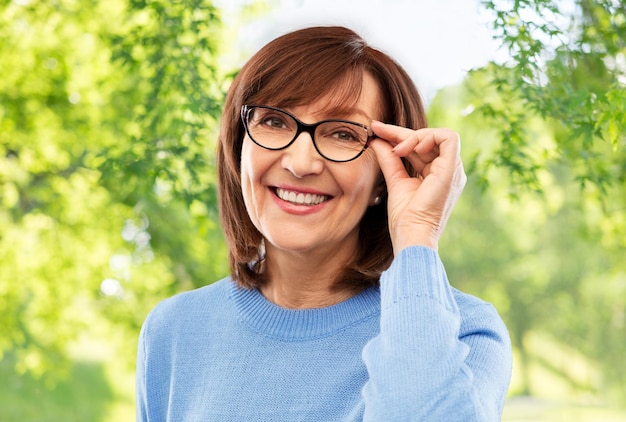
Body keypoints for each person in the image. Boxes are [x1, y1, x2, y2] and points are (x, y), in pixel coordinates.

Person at [136, 25, 512, 421]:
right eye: (275, 122)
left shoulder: (465, 334)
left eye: (343, 134)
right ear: (238, 147)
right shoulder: (174, 331)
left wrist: (417, 233)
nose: (300, 164)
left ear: (385, 177)